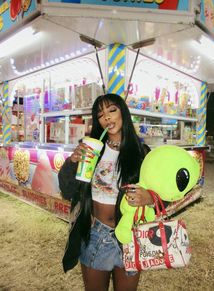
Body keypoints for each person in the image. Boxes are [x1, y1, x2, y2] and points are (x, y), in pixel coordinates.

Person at [58, 93, 154, 291]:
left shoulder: (142, 152)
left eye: (112, 110)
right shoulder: (91, 150)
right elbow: (67, 190)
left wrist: (150, 197)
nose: (107, 117)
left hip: (130, 236)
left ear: (123, 113)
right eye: (101, 114)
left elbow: (166, 194)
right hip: (95, 235)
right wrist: (72, 162)